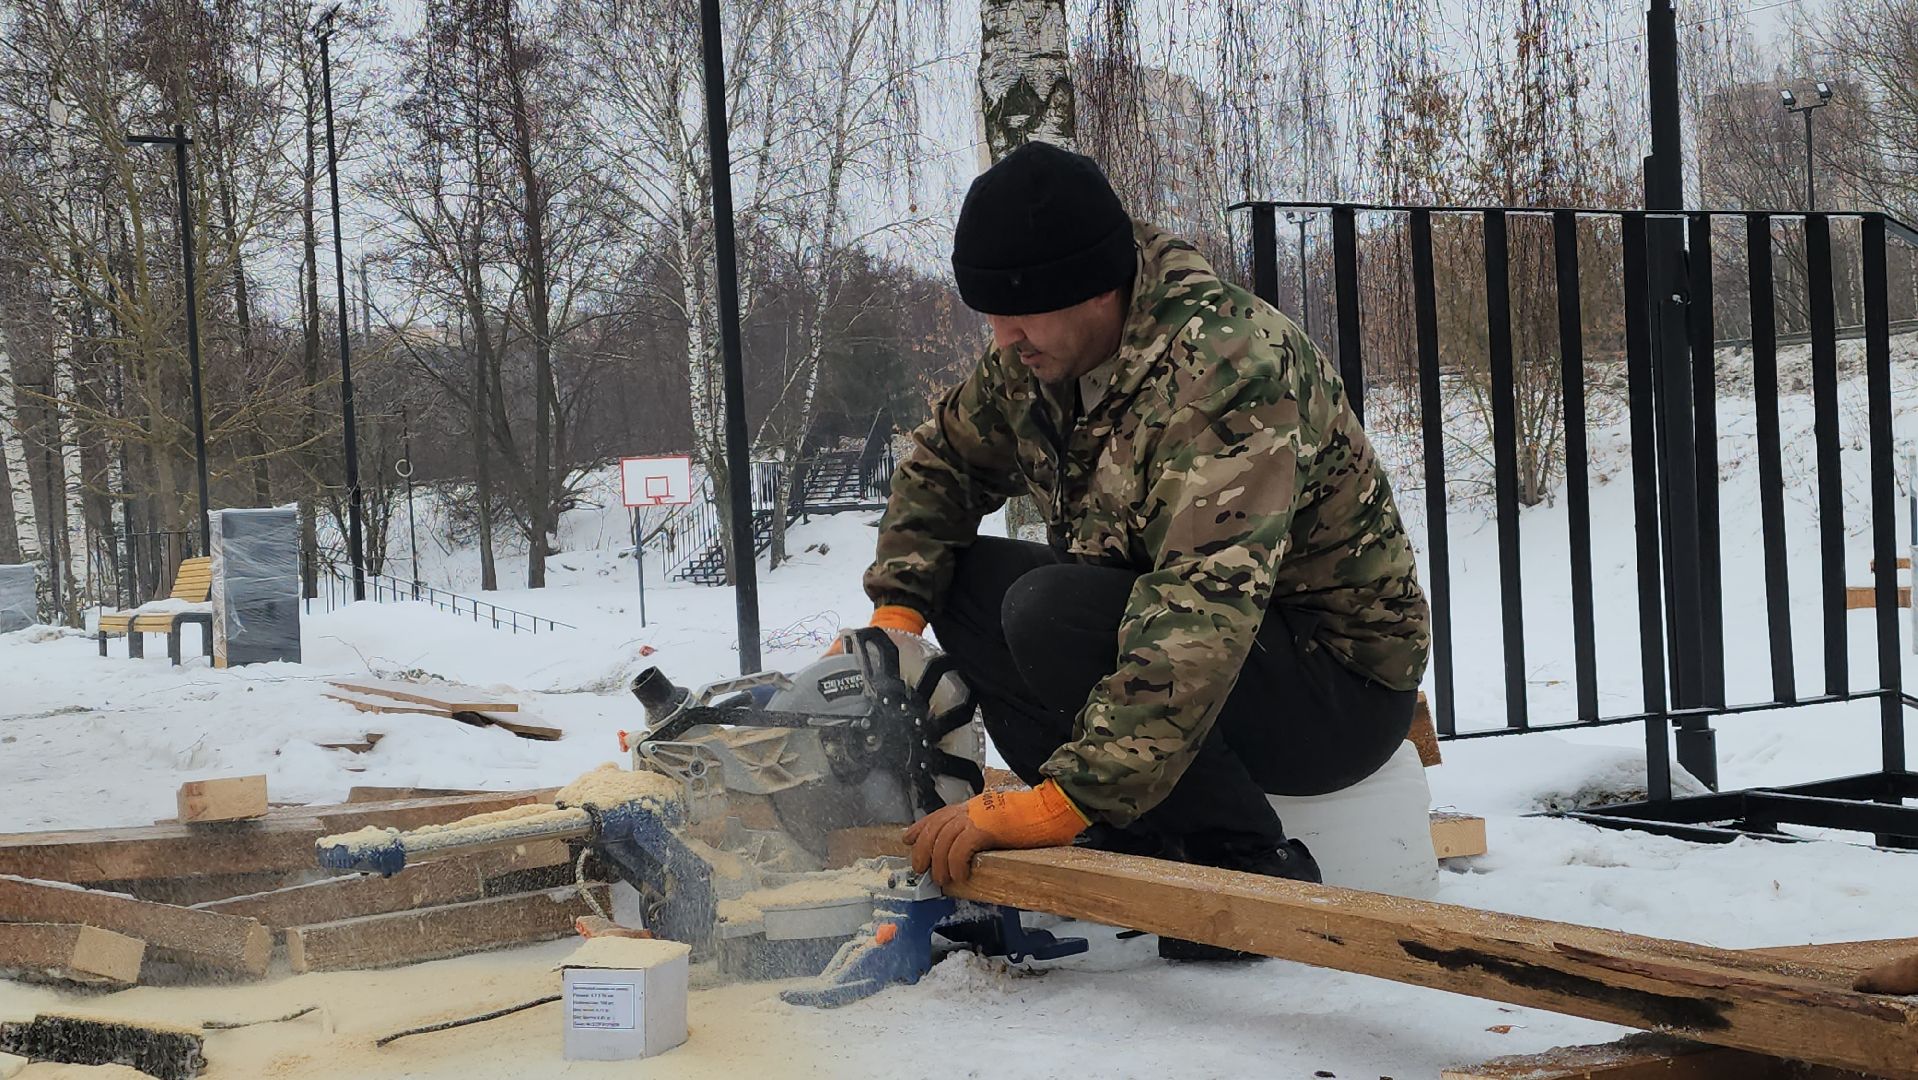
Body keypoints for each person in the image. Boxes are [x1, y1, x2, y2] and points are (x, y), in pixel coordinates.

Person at [864, 142, 1430, 957]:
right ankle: (1127, 831)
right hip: (1194, 649)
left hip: (1334, 686)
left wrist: (1062, 800)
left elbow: (1201, 612)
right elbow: (943, 461)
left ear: (1096, 289)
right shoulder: (1037, 361)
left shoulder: (1228, 369)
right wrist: (898, 621)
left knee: (1050, 609)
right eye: (990, 314)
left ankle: (1244, 858)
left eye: (1019, 313)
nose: (1003, 337)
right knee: (968, 578)